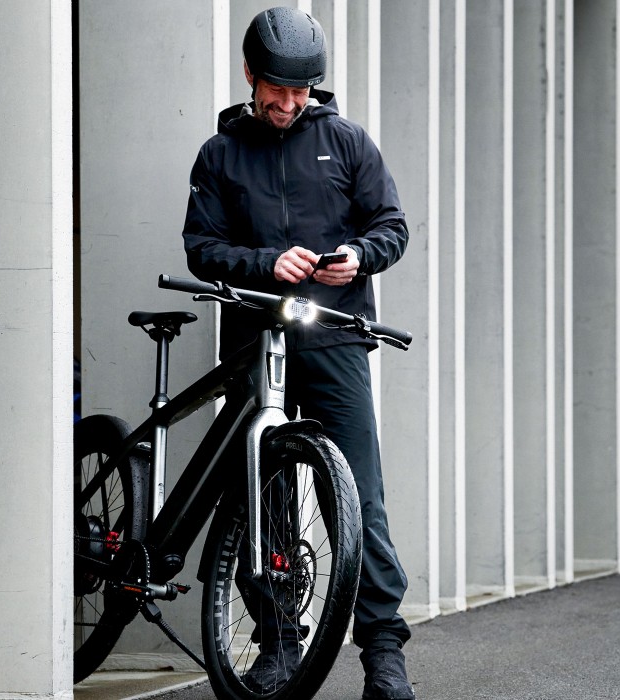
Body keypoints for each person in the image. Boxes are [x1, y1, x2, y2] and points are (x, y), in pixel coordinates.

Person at [181, 7, 414, 699]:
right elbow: (202, 248)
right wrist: (265, 263)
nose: (288, 104)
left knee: (358, 498)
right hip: (255, 342)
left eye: (302, 91)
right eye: (276, 90)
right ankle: (278, 640)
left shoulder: (345, 142)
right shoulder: (220, 155)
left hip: (335, 337)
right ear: (250, 75)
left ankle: (384, 655)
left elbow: (391, 226)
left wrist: (357, 257)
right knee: (262, 495)